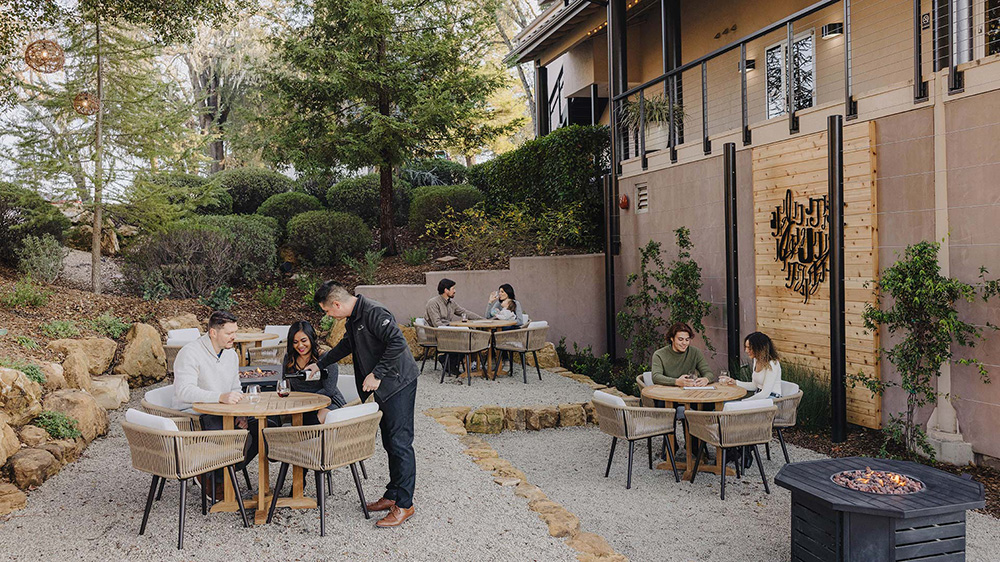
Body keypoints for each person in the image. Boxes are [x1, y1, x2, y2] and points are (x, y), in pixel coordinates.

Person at [306, 282, 418, 528]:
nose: (328, 316)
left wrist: (377, 373)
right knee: (390, 441)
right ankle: (393, 495)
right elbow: (347, 346)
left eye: (326, 311)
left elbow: (398, 343)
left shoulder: (374, 312)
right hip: (383, 387)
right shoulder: (354, 318)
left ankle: (405, 504)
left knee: (400, 443)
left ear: (336, 304)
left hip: (398, 383)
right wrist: (320, 363)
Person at [172, 310, 258, 496]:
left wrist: (240, 415)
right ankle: (213, 476)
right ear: (213, 332)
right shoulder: (190, 353)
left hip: (224, 412)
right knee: (240, 437)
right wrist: (220, 397)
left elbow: (236, 388)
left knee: (262, 429)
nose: (233, 337)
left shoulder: (231, 355)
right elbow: (184, 391)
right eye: (228, 333)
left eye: (235, 332)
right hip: (194, 415)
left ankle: (221, 472)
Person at [282, 320, 346, 424]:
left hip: (327, 403)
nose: (300, 345)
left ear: (311, 339)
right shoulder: (289, 359)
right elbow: (285, 384)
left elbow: (328, 391)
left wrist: (304, 400)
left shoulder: (326, 359)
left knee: (313, 422)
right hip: (300, 407)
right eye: (295, 342)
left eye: (304, 340)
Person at [425, 278, 482, 375]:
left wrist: (482, 319)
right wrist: (452, 326)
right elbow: (437, 323)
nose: (455, 291)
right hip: (436, 333)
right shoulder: (433, 303)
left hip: (448, 331)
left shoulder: (451, 303)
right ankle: (450, 363)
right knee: (463, 337)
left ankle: (448, 361)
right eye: (453, 288)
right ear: (446, 290)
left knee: (468, 335)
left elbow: (464, 312)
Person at [719, 331, 783, 400]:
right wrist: (734, 382)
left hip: (771, 401)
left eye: (750, 348)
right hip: (760, 398)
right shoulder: (756, 360)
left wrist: (745, 401)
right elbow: (754, 386)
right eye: (746, 347)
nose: (746, 351)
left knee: (731, 405)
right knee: (727, 403)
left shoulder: (772, 364)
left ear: (760, 348)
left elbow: (765, 394)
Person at [650, 322, 715, 387]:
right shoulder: (659, 354)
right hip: (666, 393)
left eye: (687, 340)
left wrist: (706, 379)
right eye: (680, 339)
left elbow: (709, 373)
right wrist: (676, 382)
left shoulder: (695, 352)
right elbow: (656, 377)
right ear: (672, 338)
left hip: (689, 393)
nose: (684, 343)